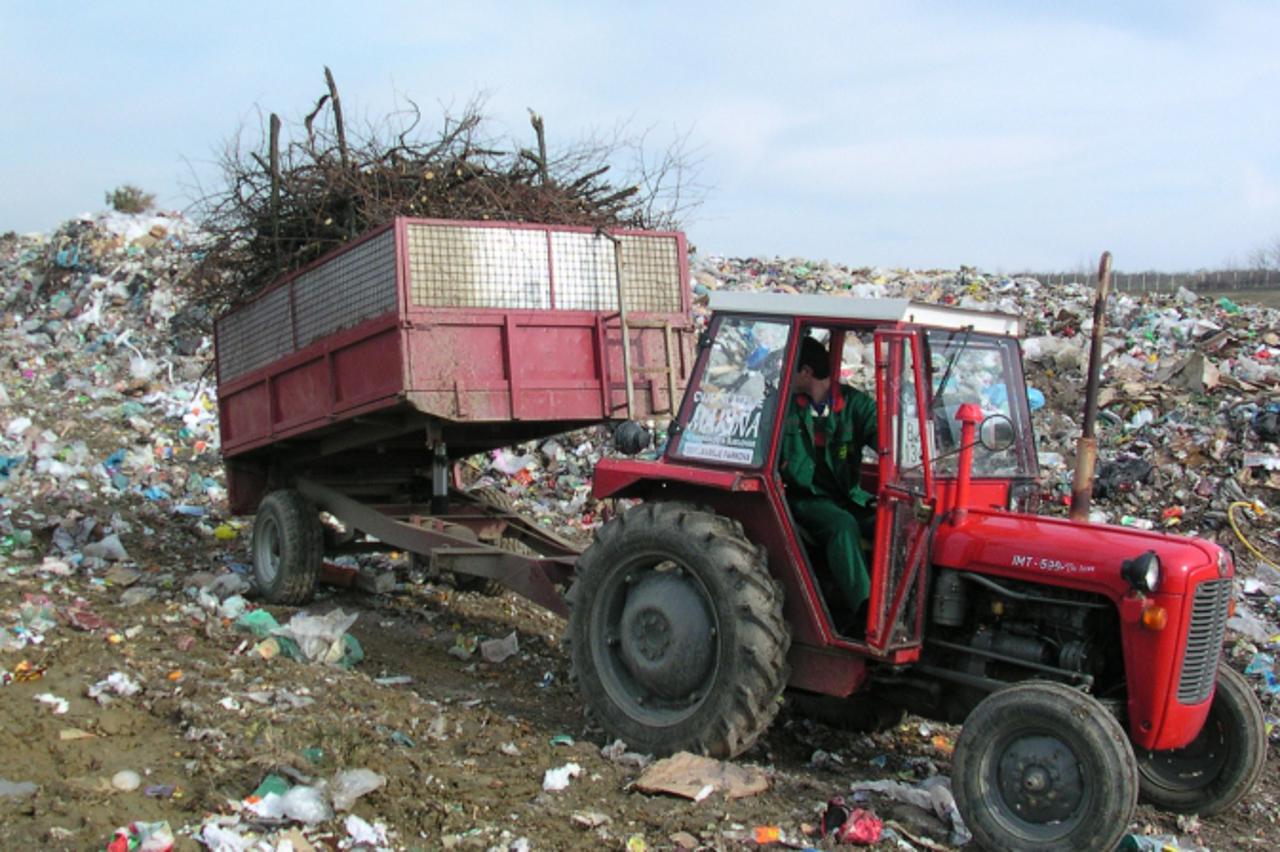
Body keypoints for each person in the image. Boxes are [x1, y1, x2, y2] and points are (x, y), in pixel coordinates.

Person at [780, 335, 878, 621]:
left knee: (889, 521)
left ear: (806, 372)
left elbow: (885, 437)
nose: (786, 375)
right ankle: (865, 611)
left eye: (791, 368)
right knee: (842, 525)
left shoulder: (855, 404)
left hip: (848, 496)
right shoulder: (784, 409)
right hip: (806, 498)